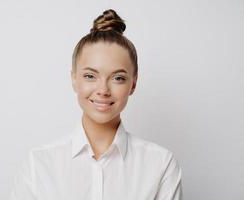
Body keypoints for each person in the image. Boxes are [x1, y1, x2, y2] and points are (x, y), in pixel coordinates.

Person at [10, 9, 183, 200]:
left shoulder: (160, 164)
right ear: (74, 79)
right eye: (90, 76)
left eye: (118, 78)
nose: (103, 90)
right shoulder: (39, 164)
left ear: (133, 84)